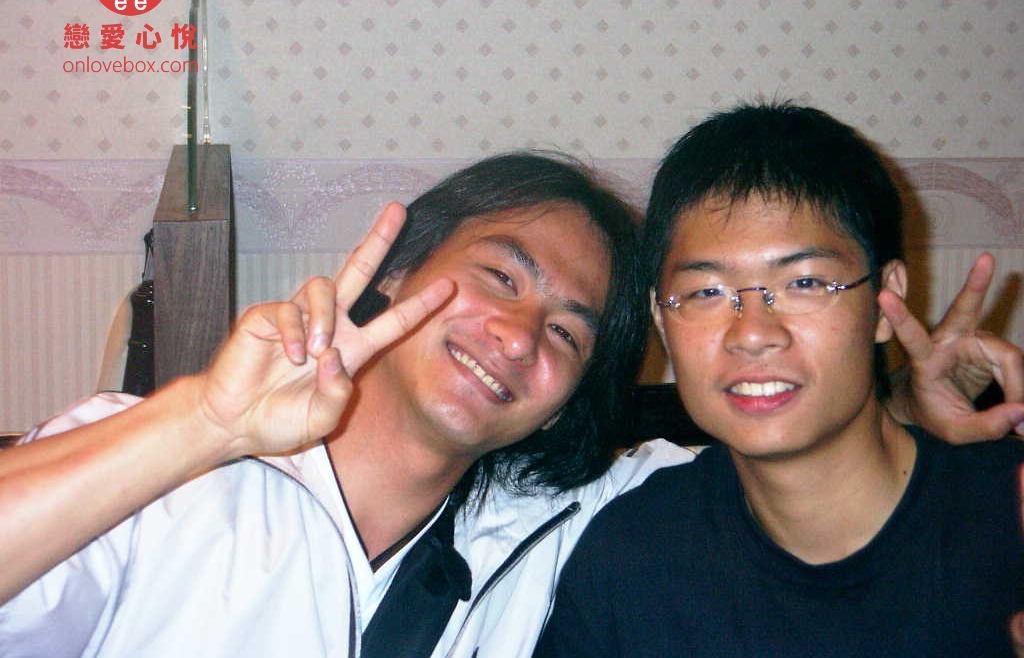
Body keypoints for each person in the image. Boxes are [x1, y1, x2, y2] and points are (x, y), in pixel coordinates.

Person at [0, 151, 1019, 658]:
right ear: (398, 272)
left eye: (571, 332)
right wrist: (203, 426)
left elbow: (783, 448)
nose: (522, 335)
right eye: (500, 277)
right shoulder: (163, 475)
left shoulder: (576, 519)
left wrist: (906, 412)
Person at [533, 102, 1024, 657]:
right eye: (706, 292)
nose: (752, 334)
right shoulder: (629, 558)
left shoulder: (1007, 516)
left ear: (885, 301)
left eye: (805, 283)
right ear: (662, 322)